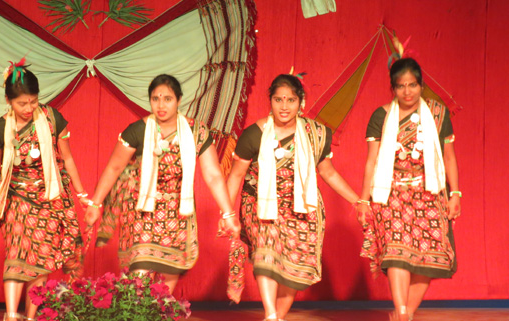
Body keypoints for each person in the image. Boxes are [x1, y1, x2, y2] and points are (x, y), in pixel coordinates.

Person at [84, 74, 240, 293]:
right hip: (142, 207)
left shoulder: (197, 131)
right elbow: (114, 168)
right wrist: (96, 203)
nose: (161, 104)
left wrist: (228, 214)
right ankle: (136, 314)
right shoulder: (138, 130)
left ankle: (158, 311)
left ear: (178, 100)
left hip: (178, 209)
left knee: (171, 267)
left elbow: (213, 175)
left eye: (167, 99)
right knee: (141, 266)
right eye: (155, 99)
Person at [225, 73, 361, 321]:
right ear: (270, 101)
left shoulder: (315, 134)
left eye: (290, 100)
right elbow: (236, 176)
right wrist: (227, 212)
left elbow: (328, 173)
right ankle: (270, 314)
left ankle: (277, 316)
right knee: (266, 254)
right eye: (278, 100)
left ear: (301, 102)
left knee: (293, 271)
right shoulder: (254, 134)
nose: (284, 106)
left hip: (301, 206)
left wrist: (357, 200)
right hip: (261, 205)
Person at [0, 60, 87, 321]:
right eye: (22, 104)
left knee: (41, 258)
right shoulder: (0, 128)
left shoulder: (52, 118)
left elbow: (68, 159)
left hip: (50, 197)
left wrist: (82, 194)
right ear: (8, 100)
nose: (29, 109)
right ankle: (10, 314)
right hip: (16, 197)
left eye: (33, 101)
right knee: (17, 253)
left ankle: (30, 316)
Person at [357, 58, 460, 321]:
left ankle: (407, 314)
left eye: (412, 85)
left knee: (429, 257)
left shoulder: (437, 114)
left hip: (429, 192)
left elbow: (448, 157)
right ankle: (402, 310)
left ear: (422, 85)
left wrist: (455, 193)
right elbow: (372, 160)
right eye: (401, 86)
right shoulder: (381, 116)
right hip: (389, 194)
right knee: (396, 252)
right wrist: (363, 200)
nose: (407, 91)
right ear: (392, 88)